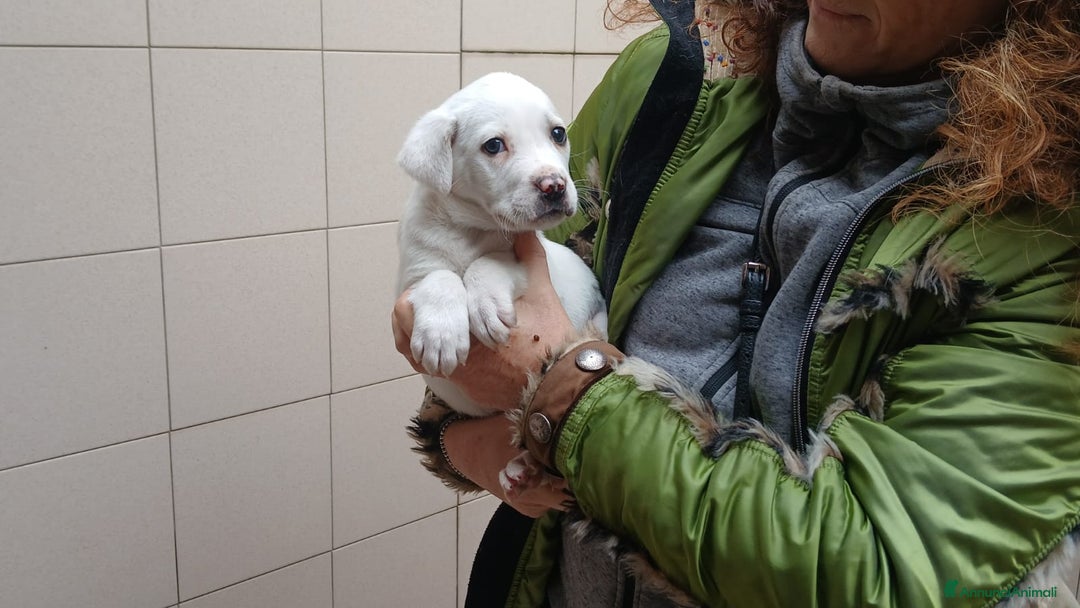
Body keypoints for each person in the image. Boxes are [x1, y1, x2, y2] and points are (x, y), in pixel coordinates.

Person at [394, 0, 1080, 605]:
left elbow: (880, 578)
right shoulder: (673, 83)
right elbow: (507, 334)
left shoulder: (1046, 230)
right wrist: (462, 438)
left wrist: (568, 392)